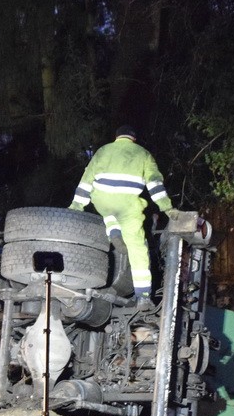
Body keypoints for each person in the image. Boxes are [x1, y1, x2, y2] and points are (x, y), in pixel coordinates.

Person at [69, 125, 177, 303]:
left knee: (105, 208)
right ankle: (142, 296)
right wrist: (167, 208)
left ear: (116, 137)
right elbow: (155, 185)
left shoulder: (103, 151)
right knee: (137, 247)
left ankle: (113, 229)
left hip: (103, 200)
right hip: (128, 205)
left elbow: (86, 181)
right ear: (133, 139)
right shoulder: (144, 154)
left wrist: (75, 207)